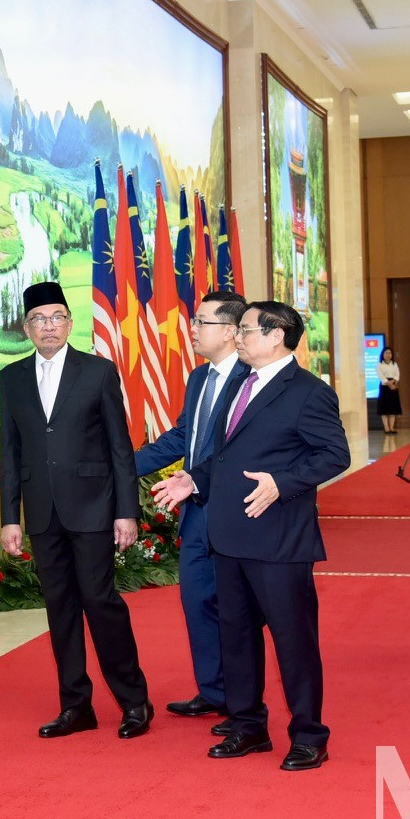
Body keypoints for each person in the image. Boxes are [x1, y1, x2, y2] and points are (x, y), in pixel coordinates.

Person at [153, 300, 350, 771]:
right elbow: (223, 454)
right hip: (228, 535)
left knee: (292, 640)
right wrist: (194, 479)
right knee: (236, 636)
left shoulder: (307, 391)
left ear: (277, 335)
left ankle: (308, 735)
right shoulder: (237, 384)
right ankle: (248, 726)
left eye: (245, 329)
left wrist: (283, 483)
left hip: (279, 541)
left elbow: (334, 455)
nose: (237, 337)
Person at [0, 282, 150, 740]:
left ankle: (134, 701)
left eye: (57, 317)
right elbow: (10, 450)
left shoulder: (98, 373)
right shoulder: (12, 378)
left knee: (100, 603)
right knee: (60, 608)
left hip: (92, 508)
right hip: (43, 514)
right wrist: (11, 516)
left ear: (69, 323)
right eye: (39, 319)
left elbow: (120, 449)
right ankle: (76, 705)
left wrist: (127, 511)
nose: (49, 326)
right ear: (27, 328)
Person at [132, 290, 250, 728]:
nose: (193, 330)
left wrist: (196, 478)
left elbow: (236, 452)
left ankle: (241, 702)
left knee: (235, 610)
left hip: (237, 512)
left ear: (232, 331)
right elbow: (182, 437)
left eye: (201, 322)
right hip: (197, 511)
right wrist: (120, 468)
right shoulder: (200, 378)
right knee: (197, 602)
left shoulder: (250, 380)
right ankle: (213, 690)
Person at [376, 347, 401, 434]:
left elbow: (397, 375)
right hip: (384, 387)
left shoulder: (394, 364)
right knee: (384, 408)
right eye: (386, 353)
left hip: (393, 387)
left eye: (390, 353)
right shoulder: (379, 364)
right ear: (383, 354)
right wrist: (389, 384)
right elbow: (381, 376)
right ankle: (386, 428)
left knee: (393, 408)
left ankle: (392, 428)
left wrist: (393, 382)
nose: (388, 355)